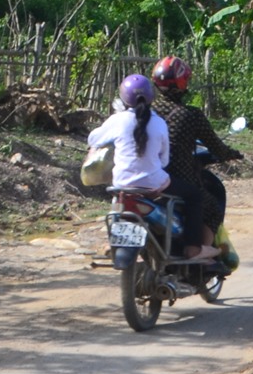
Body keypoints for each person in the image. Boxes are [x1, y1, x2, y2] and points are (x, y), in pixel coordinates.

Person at [87, 73, 217, 260]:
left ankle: (114, 242)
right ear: (151, 96)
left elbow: (93, 139)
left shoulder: (118, 120)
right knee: (194, 196)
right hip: (154, 183)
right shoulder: (159, 123)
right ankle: (193, 248)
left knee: (118, 204)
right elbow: (164, 161)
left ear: (124, 97)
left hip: (121, 184)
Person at [149, 55, 242, 250]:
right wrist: (232, 153)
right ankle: (197, 253)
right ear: (182, 83)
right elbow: (216, 147)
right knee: (210, 208)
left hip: (146, 176)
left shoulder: (145, 112)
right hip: (177, 178)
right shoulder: (191, 115)